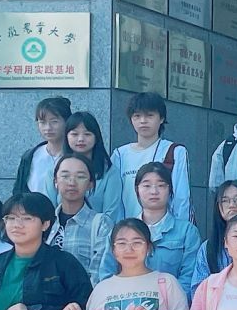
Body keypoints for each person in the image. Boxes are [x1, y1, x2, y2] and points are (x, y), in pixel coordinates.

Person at [101, 162, 207, 297]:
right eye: (146, 185)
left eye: (161, 185)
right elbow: (106, 275)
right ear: (137, 190)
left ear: (170, 190)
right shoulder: (120, 231)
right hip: (125, 305)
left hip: (170, 306)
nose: (154, 191)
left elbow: (188, 278)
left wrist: (167, 302)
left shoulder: (187, 232)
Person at [108, 92, 191, 223]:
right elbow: (114, 200)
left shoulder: (175, 152)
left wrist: (181, 229)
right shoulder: (120, 155)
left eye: (149, 115)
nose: (143, 121)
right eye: (137, 116)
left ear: (161, 118)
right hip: (129, 229)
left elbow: (181, 198)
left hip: (166, 230)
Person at [48, 154, 112, 284]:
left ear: (90, 184)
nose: (72, 182)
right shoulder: (45, 222)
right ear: (55, 181)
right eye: (65, 176)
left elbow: (99, 275)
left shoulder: (101, 224)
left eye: (81, 177)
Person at [13, 96, 71, 198]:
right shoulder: (30, 157)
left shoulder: (75, 155)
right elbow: (19, 192)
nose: (48, 128)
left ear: (67, 122)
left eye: (54, 121)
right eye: (42, 122)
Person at [64, 111, 117, 219]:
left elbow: (111, 214)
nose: (81, 139)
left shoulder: (109, 172)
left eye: (87, 134)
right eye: (74, 134)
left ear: (96, 137)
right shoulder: (55, 170)